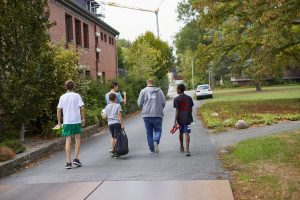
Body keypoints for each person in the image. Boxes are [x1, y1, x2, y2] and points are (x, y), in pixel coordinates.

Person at [57, 80, 85, 169]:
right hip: (76, 121)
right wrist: (83, 118)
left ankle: (68, 162)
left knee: (68, 141)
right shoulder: (77, 96)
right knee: (78, 139)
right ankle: (76, 158)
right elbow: (82, 108)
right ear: (73, 86)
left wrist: (59, 122)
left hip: (67, 122)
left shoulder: (62, 97)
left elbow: (58, 110)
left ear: (66, 87)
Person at [138, 79, 165, 154]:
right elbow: (163, 102)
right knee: (158, 130)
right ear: (154, 83)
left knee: (149, 132)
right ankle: (156, 141)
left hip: (146, 115)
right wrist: (160, 109)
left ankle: (152, 149)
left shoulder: (143, 91)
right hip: (157, 114)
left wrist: (143, 108)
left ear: (147, 83)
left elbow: (139, 103)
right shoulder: (159, 91)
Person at [173, 84, 194, 156]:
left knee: (181, 132)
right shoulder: (189, 98)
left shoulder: (176, 99)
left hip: (180, 119)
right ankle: (187, 150)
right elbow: (191, 109)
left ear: (179, 90)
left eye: (177, 89)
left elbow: (177, 111)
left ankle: (182, 146)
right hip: (188, 119)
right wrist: (190, 116)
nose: (176, 90)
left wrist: (175, 121)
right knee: (187, 133)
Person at [104, 93, 125, 158]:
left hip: (110, 123)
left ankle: (112, 150)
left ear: (109, 99)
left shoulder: (106, 107)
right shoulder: (118, 105)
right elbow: (119, 115)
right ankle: (116, 151)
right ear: (115, 98)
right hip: (116, 123)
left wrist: (108, 120)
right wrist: (122, 124)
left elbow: (106, 116)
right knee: (117, 137)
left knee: (113, 137)